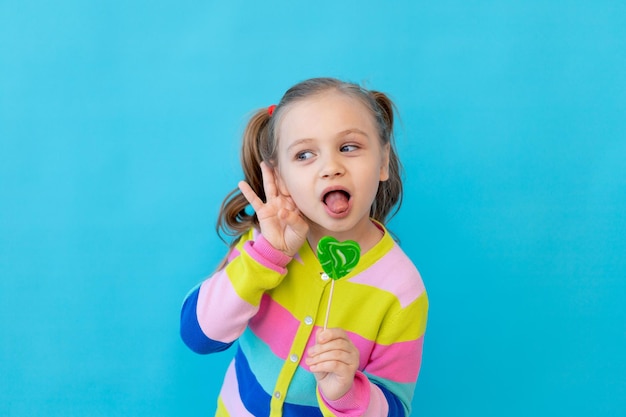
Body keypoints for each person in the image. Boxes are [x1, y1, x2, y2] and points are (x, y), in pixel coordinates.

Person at [180, 77, 428, 416]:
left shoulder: (402, 290)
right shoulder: (265, 242)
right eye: (305, 154)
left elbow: (397, 408)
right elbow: (198, 336)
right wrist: (267, 256)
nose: (331, 168)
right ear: (279, 178)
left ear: (383, 161)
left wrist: (346, 393)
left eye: (349, 147)